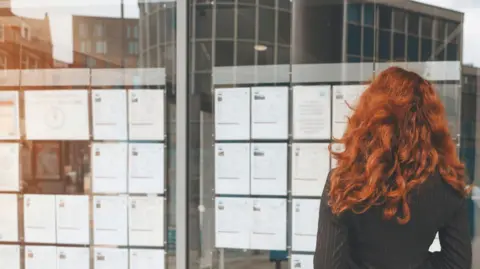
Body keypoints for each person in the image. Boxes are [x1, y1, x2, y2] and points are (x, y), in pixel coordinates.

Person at [314, 67, 472, 269]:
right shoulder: (447, 184)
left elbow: (326, 265)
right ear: (430, 123)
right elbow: (457, 263)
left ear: (370, 118)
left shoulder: (344, 181)